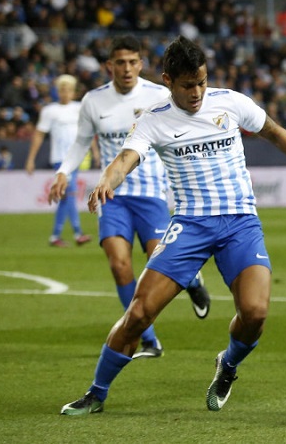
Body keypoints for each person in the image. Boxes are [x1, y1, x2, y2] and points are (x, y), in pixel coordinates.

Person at [59, 35, 286, 416]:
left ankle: (228, 365)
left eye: (202, 82)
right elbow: (126, 157)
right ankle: (96, 393)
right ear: (167, 81)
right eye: (187, 85)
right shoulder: (154, 119)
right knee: (139, 314)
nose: (196, 93)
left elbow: (275, 132)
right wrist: (107, 180)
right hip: (190, 225)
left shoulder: (231, 102)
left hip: (240, 223)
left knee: (255, 313)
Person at [48, 36, 212, 359]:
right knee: (119, 265)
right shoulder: (93, 101)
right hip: (113, 195)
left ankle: (193, 282)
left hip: (151, 193)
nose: (126, 68)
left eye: (132, 62)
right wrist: (64, 171)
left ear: (141, 64)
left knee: (162, 261)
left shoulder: (159, 95)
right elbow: (82, 142)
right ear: (109, 65)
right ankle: (148, 339)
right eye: (120, 62)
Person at [26, 74, 93, 248]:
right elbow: (39, 135)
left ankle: (55, 236)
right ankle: (78, 233)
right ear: (57, 91)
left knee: (65, 197)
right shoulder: (49, 111)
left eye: (69, 90)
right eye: (62, 90)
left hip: (76, 157)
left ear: (73, 91)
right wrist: (31, 159)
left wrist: (95, 151)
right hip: (60, 160)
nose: (66, 93)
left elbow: (88, 131)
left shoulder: (80, 108)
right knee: (69, 193)